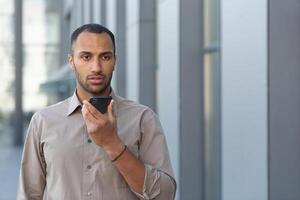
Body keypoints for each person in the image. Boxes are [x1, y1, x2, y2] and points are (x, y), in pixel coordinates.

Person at [17, 23, 176, 200]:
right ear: (71, 61)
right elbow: (29, 194)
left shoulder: (143, 119)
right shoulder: (43, 121)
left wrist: (112, 144)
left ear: (114, 61)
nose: (96, 67)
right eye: (86, 57)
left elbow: (165, 195)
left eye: (105, 57)